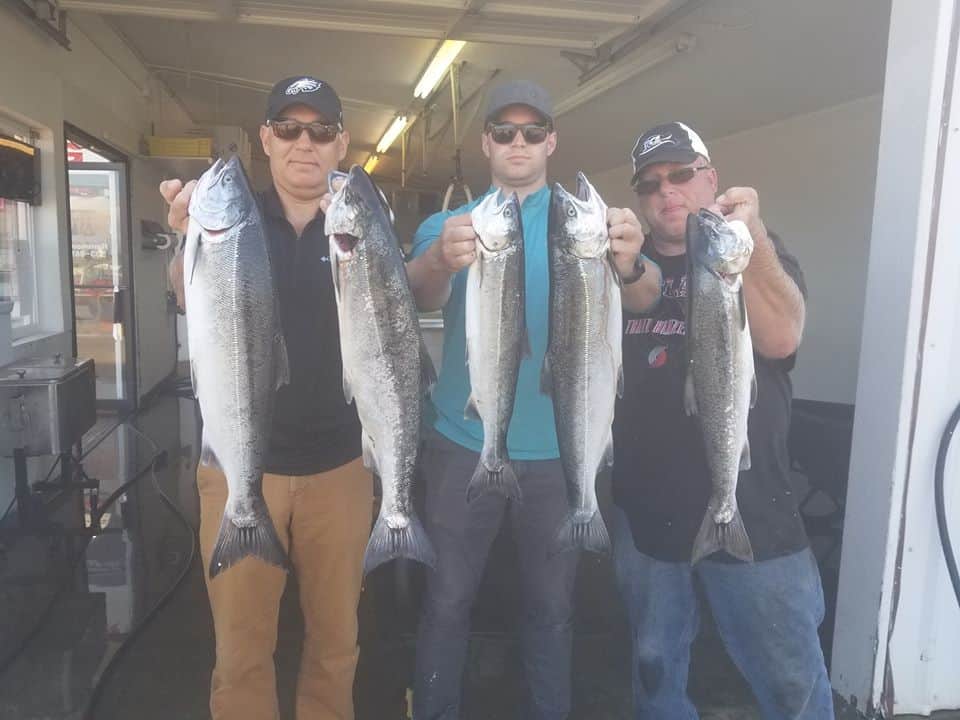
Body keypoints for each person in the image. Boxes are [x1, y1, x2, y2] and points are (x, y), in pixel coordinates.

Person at [404, 80, 662, 720]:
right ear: (485, 143)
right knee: (447, 599)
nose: (517, 142)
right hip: (464, 445)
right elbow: (417, 296)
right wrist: (439, 256)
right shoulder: (451, 223)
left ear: (551, 140)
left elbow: (646, 295)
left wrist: (629, 261)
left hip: (560, 452)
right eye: (504, 131)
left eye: (531, 131)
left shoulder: (589, 224)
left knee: (552, 607)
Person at [162, 76, 372, 720]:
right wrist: (182, 236)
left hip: (341, 466)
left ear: (341, 143)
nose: (303, 143)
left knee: (337, 641)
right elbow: (181, 290)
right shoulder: (234, 220)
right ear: (265, 139)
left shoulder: (360, 223)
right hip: (235, 471)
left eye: (319, 130)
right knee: (241, 644)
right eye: (288, 129)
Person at [610, 121, 832, 719]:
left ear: (710, 179)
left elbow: (783, 339)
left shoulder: (753, 253)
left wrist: (751, 233)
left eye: (682, 175)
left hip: (753, 513)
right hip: (648, 516)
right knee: (658, 678)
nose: (668, 192)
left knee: (793, 686)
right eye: (652, 183)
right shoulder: (625, 267)